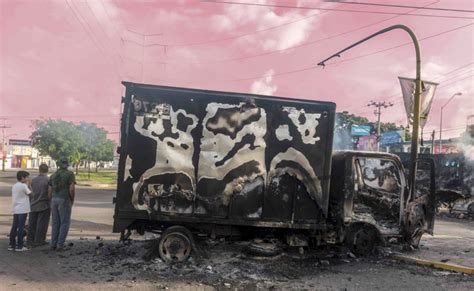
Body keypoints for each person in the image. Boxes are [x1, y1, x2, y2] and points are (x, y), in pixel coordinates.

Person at [49, 157, 76, 251]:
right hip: (64, 199)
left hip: (54, 200)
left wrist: (51, 200)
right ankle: (60, 245)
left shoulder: (53, 175)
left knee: (55, 223)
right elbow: (71, 188)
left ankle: (53, 244)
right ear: (67, 164)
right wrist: (72, 199)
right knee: (64, 223)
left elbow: (49, 190)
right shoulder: (70, 174)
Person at [27, 164, 51, 247]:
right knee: (42, 224)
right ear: (47, 170)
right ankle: (39, 241)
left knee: (32, 223)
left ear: (39, 170)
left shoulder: (33, 180)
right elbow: (49, 192)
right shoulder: (48, 180)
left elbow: (29, 192)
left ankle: (30, 240)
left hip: (33, 204)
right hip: (44, 205)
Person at [9, 171, 32, 252]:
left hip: (16, 209)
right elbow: (31, 194)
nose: (28, 179)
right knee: (21, 227)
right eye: (27, 177)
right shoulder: (23, 186)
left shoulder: (15, 186)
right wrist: (29, 185)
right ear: (22, 178)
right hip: (23, 209)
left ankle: (12, 244)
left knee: (14, 226)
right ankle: (20, 246)